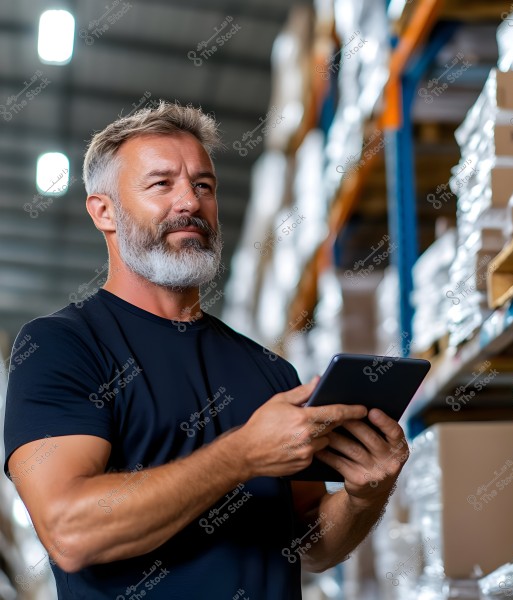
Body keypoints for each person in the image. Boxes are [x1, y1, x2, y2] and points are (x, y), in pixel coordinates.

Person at [3, 101, 409, 599]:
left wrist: (366, 494)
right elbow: (69, 531)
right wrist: (242, 454)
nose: (190, 203)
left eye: (203, 186)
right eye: (161, 184)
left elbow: (312, 545)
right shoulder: (61, 346)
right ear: (103, 210)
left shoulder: (270, 372)